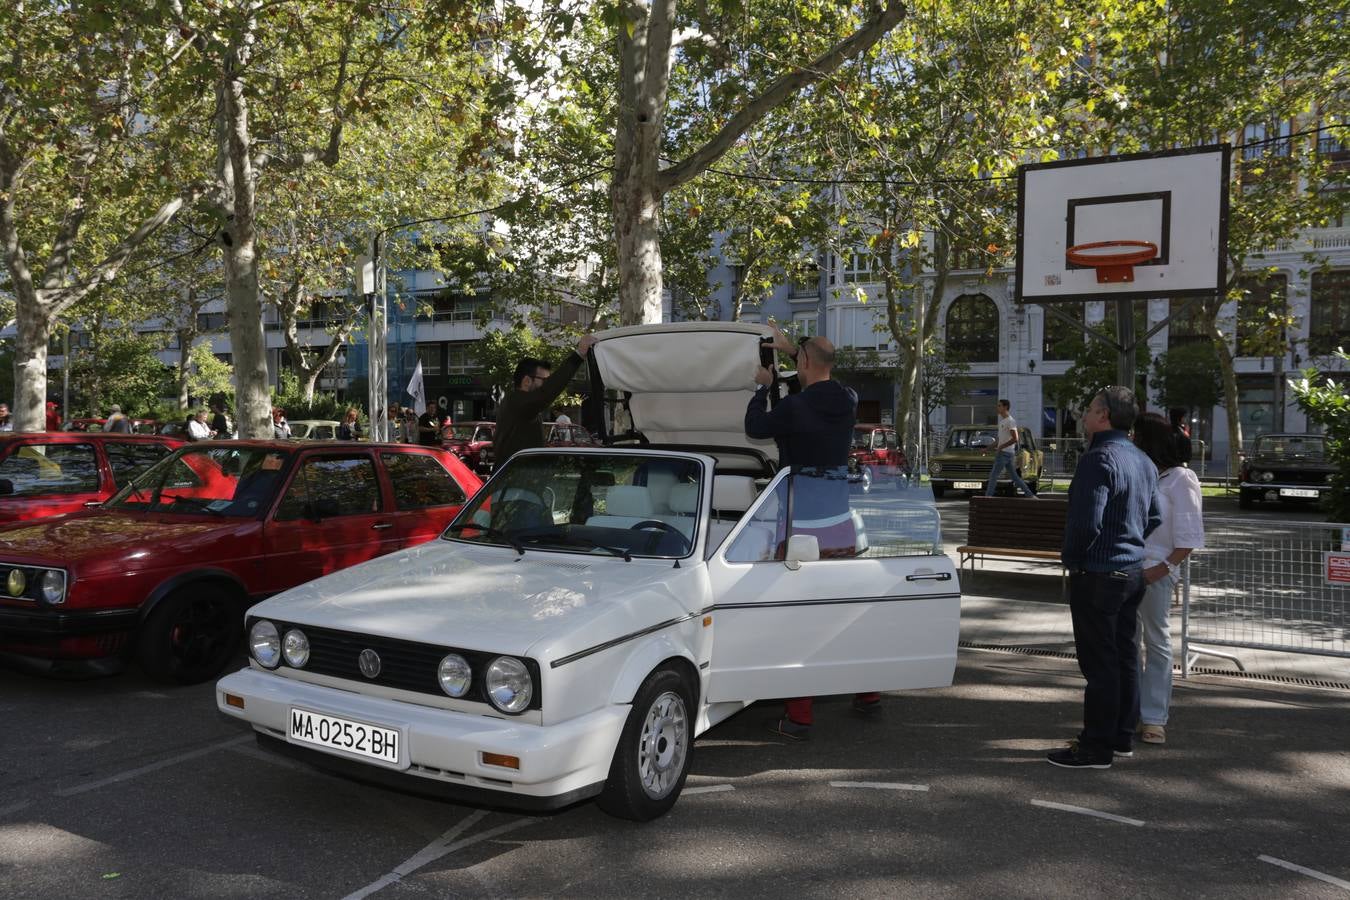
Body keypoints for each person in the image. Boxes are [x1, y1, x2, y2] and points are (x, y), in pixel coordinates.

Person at [744, 322, 879, 741]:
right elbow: (815, 374)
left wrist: (763, 388)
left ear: (803, 363)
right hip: (839, 523)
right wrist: (791, 352)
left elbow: (755, 428)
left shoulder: (793, 409)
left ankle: (800, 715)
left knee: (797, 616)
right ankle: (869, 691)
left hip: (800, 524)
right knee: (843, 608)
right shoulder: (848, 398)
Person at [1050, 385, 1160, 769]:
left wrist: (1074, 558)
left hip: (1098, 573)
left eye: (1089, 408)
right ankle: (1120, 737)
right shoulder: (1143, 460)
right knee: (1125, 656)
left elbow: (1085, 521)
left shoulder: (1098, 459)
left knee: (1100, 665)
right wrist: (1129, 544)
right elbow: (1156, 516)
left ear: (1105, 416)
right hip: (1131, 571)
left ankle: (1096, 746)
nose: (1083, 415)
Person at [1132, 413, 1204, 746]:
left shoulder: (1181, 478)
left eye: (1135, 435)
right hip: (1127, 567)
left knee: (1156, 642)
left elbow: (1188, 537)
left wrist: (1160, 569)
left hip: (1156, 572)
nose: (1130, 440)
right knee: (1127, 642)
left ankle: (1154, 717)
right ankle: (1129, 709)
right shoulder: (1142, 473)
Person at [492, 335, 597, 466]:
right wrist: (579, 355)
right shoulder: (517, 402)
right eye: (545, 381)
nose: (548, 385)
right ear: (526, 381)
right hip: (515, 482)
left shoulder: (517, 403)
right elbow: (546, 393)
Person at [984, 399, 1037, 497]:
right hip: (1008, 453)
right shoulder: (1002, 422)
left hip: (1004, 453)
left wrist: (1001, 447)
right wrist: (989, 447)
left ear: (1005, 407)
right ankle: (1030, 495)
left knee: (993, 475)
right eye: (998, 405)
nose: (997, 408)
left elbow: (1015, 438)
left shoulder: (1010, 421)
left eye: (999, 406)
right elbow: (1000, 439)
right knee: (1015, 477)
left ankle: (987, 497)